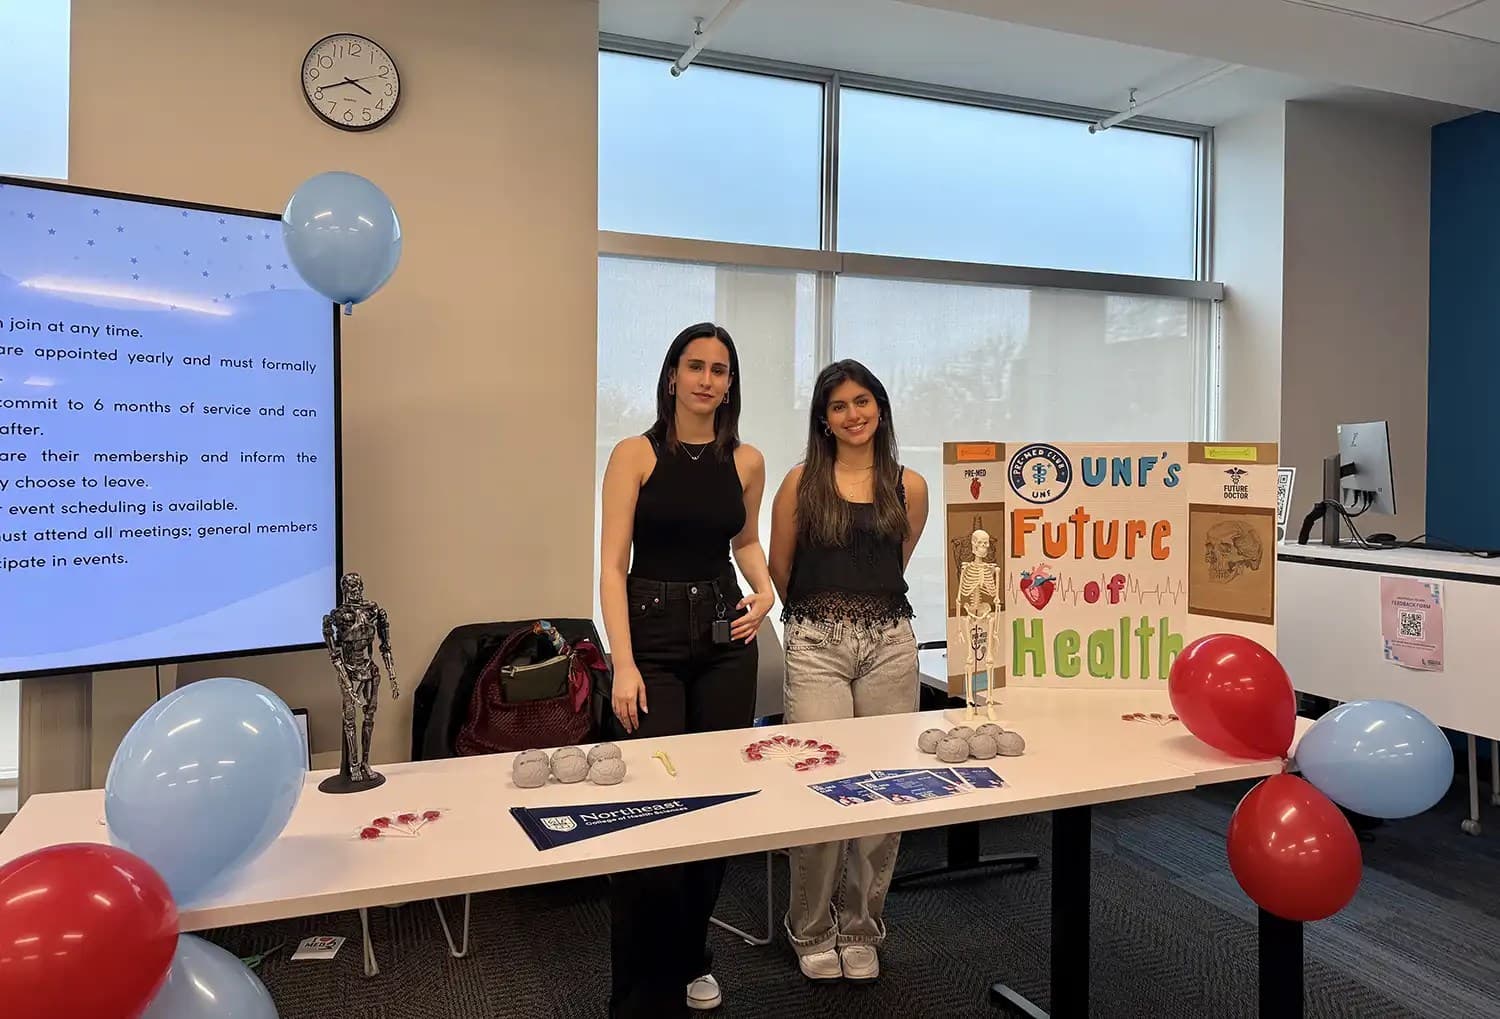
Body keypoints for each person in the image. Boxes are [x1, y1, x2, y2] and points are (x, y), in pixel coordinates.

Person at [598, 322, 776, 1016]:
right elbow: (614, 566)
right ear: (672, 375)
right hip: (655, 643)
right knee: (656, 812)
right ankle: (640, 989)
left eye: (721, 369)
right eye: (695, 365)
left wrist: (764, 592)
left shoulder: (748, 460)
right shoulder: (634, 455)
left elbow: (746, 540)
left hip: (727, 636)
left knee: (715, 807)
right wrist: (624, 664)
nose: (708, 379)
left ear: (731, 383)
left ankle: (692, 951)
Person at [768, 358, 929, 983]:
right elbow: (782, 567)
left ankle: (861, 925)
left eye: (863, 402)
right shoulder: (800, 481)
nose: (853, 414)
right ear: (824, 418)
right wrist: (823, 620)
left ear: (880, 409)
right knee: (821, 787)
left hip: (890, 644)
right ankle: (810, 928)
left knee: (886, 787)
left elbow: (896, 559)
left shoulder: (908, 485)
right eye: (839, 406)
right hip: (816, 645)